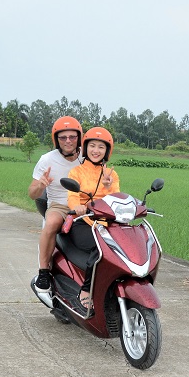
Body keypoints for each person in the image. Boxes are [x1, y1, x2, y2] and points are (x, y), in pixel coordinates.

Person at [65, 127, 120, 311]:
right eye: (93, 146)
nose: (96, 151)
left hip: (105, 223)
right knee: (101, 247)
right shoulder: (77, 172)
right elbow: (72, 196)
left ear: (107, 151)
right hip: (83, 221)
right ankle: (86, 290)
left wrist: (108, 186)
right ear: (86, 147)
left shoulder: (111, 175)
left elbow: (116, 199)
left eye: (101, 147)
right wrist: (77, 207)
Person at [28, 116, 82, 292]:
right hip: (60, 205)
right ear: (56, 139)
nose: (68, 141)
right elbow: (32, 193)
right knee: (51, 223)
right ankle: (44, 272)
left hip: (84, 205)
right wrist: (41, 185)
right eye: (63, 137)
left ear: (79, 138)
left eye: (72, 137)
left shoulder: (87, 156)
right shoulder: (47, 160)